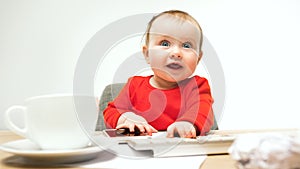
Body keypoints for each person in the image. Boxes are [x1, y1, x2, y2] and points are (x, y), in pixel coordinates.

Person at [103, 10, 214, 138]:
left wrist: (188, 123)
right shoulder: (134, 85)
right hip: (140, 152)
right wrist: (126, 119)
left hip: (183, 150)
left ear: (198, 58)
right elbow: (111, 111)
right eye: (165, 44)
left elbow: (203, 112)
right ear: (147, 54)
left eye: (187, 45)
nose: (176, 53)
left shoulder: (197, 86)